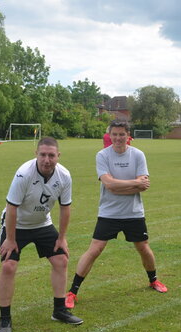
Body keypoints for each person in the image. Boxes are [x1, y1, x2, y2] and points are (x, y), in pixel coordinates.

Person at [66, 120, 167, 309]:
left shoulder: (138, 155)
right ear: (109, 135)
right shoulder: (102, 155)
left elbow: (142, 185)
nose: (118, 138)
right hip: (109, 212)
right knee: (95, 249)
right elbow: (110, 185)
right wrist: (132, 184)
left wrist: (118, 185)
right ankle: (72, 291)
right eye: (115, 134)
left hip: (134, 213)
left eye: (122, 134)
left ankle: (153, 280)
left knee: (143, 248)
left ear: (128, 135)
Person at [0, 137, 82, 332]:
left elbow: (65, 208)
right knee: (9, 265)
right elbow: (11, 207)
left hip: (42, 223)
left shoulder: (64, 176)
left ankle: (60, 310)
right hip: (16, 224)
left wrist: (61, 238)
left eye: (51, 155)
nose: (47, 159)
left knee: (61, 260)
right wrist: (10, 239)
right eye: (43, 154)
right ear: (36, 154)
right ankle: (5, 318)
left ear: (58, 156)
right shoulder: (24, 173)